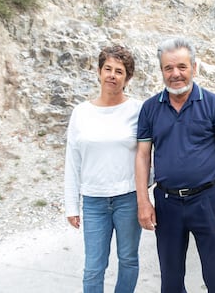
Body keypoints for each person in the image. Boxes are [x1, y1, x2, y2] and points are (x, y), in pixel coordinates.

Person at [135, 37, 215, 293]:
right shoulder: (150, 109)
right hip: (167, 203)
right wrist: (143, 201)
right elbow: (142, 156)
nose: (175, 74)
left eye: (182, 66)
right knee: (170, 280)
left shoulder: (214, 104)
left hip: (208, 201)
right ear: (161, 71)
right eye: (168, 68)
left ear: (194, 67)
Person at [64, 45, 143, 293]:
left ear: (127, 78)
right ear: (99, 72)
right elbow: (72, 160)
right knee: (93, 267)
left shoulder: (138, 110)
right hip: (94, 201)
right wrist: (71, 205)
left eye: (119, 71)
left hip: (128, 199)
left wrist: (145, 191)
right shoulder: (81, 113)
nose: (112, 75)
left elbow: (148, 153)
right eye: (107, 69)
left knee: (128, 260)